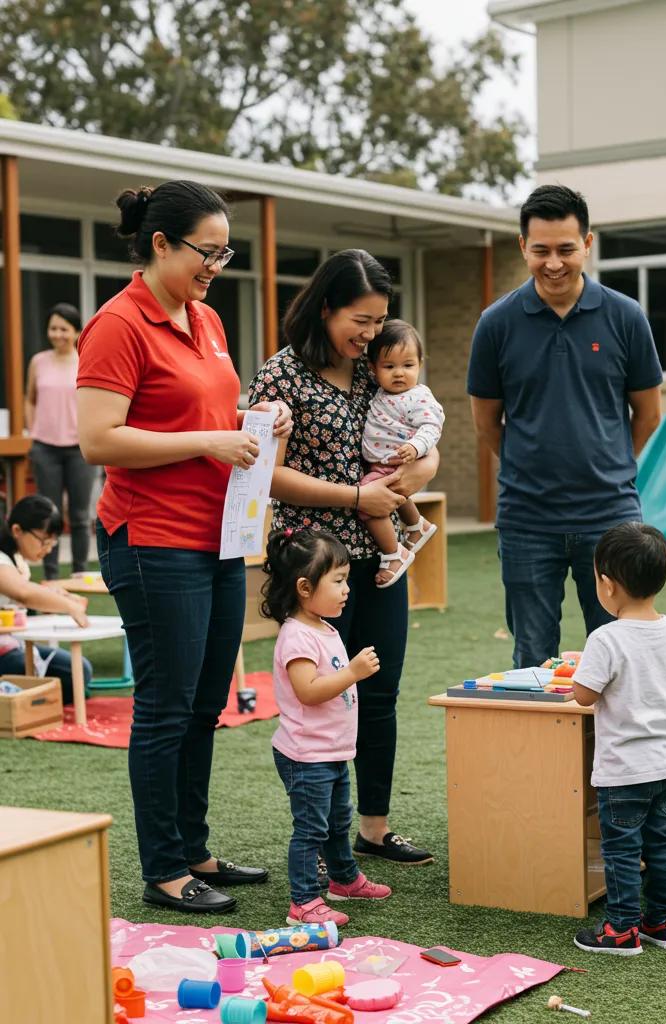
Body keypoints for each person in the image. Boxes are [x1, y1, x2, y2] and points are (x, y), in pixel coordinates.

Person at [76, 179, 293, 914]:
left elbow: (199, 410)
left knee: (206, 703)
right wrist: (212, 438)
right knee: (166, 705)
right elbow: (99, 438)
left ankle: (194, 848)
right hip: (151, 538)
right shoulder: (117, 324)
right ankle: (164, 870)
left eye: (224, 252)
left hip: (216, 534)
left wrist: (253, 420)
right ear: (160, 244)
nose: (216, 265)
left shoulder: (205, 319)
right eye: (206, 250)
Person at [249, 249, 438, 867]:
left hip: (378, 557)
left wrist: (418, 471)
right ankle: (324, 837)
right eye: (360, 319)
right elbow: (267, 478)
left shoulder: (374, 370)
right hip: (312, 559)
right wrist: (358, 495)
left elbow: (422, 441)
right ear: (325, 307)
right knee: (324, 692)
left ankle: (374, 830)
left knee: (379, 689)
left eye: (380, 320)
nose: (371, 334)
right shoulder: (282, 376)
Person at [468, 184, 663, 670]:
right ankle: (539, 752)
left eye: (566, 249)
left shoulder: (626, 317)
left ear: (588, 244)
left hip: (611, 517)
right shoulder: (496, 324)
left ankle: (615, 751)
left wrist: (611, 463)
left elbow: (649, 413)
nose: (553, 263)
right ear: (523, 247)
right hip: (527, 520)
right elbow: (487, 422)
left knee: (622, 655)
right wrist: (528, 466)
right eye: (541, 251)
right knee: (532, 659)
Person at [571, 522, 666, 956]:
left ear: (607, 584)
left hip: (623, 770)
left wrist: (580, 673)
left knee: (622, 849)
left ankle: (621, 929)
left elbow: (584, 696)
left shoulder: (605, 638)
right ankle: (665, 921)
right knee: (661, 842)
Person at [261, 528, 392, 926]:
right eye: (338, 581)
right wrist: (352, 673)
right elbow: (309, 691)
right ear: (304, 587)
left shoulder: (324, 627)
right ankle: (303, 902)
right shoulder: (297, 636)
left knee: (338, 820)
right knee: (311, 829)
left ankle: (344, 879)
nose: (346, 589)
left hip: (331, 751)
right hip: (306, 755)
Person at [360, 320, 444, 588]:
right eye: (389, 366)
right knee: (394, 493)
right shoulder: (381, 393)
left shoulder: (417, 397)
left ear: (420, 364)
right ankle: (417, 525)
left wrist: (416, 447)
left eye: (408, 366)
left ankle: (394, 553)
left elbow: (432, 426)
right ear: (373, 369)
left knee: (370, 505)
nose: (399, 373)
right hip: (382, 462)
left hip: (398, 461)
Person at [25, 303, 98, 579]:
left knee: (79, 516)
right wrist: (34, 432)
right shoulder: (38, 361)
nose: (57, 334)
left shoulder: (86, 359)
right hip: (45, 449)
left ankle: (80, 574)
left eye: (64, 329)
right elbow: (29, 399)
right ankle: (51, 574)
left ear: (77, 332)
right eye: (53, 328)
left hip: (80, 448)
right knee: (49, 514)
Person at [0, 495, 93, 702]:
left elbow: (24, 593)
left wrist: (55, 595)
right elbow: (22, 591)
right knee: (66, 677)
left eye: (53, 542)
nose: (48, 548)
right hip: (6, 651)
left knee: (79, 670)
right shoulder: (1, 559)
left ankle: (32, 696)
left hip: (13, 645)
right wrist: (68, 606)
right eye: (44, 541)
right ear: (17, 531)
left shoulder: (15, 561)